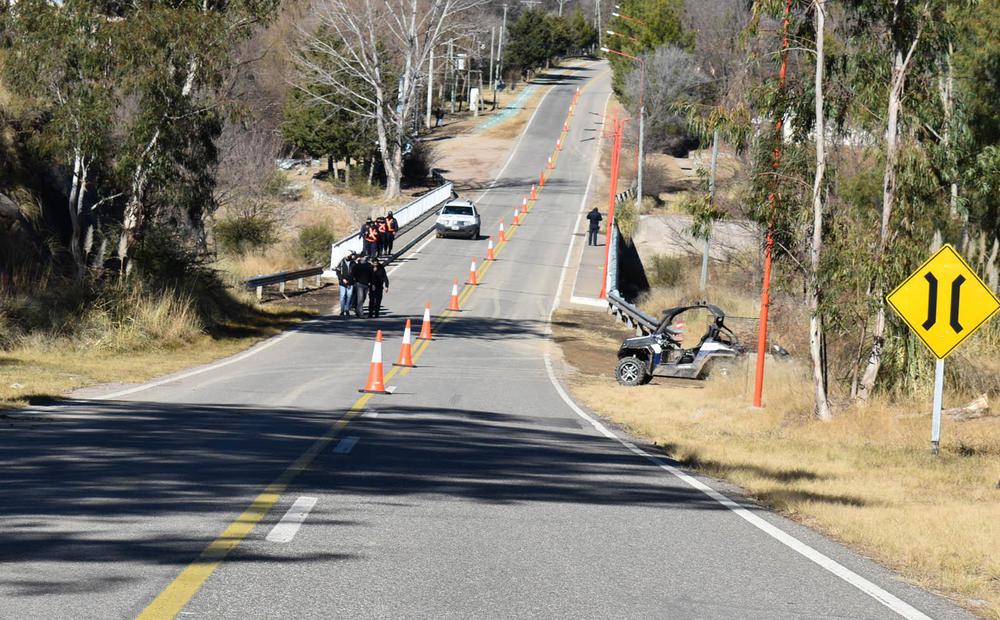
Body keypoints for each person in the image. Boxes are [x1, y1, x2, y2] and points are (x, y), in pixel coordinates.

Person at [335, 252, 356, 317]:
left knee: (349, 295)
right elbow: (337, 271)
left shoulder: (353, 263)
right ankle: (342, 310)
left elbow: (356, 271)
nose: (348, 256)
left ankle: (347, 309)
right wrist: (342, 279)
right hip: (342, 282)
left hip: (351, 282)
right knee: (343, 296)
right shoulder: (341, 262)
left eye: (349, 255)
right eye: (347, 255)